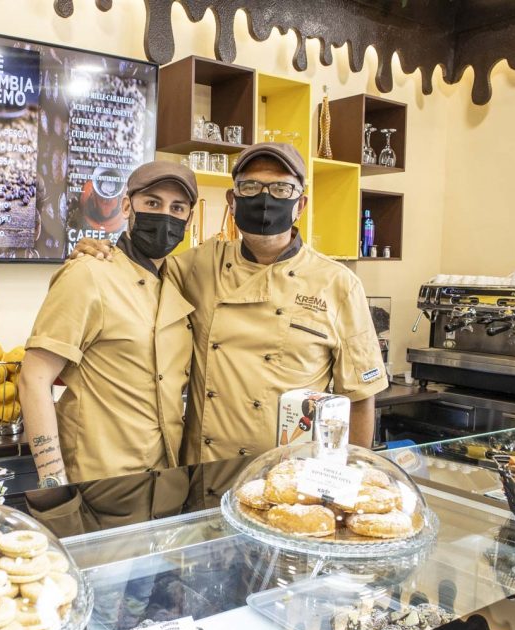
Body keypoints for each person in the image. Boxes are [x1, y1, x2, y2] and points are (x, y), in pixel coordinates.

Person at [72, 142, 388, 462]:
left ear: (300, 203)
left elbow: (360, 397)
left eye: (281, 188)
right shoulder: (199, 266)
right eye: (250, 187)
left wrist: (352, 474)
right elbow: (136, 269)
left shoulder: (338, 283)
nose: (264, 199)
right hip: (203, 477)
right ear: (232, 201)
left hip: (287, 480)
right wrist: (99, 250)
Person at [18, 161, 198, 486]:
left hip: (167, 481)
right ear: (127, 205)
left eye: (177, 208)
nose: (165, 216)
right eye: (153, 203)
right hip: (98, 483)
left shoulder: (180, 280)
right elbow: (34, 378)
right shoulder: (88, 273)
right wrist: (53, 482)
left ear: (189, 219)